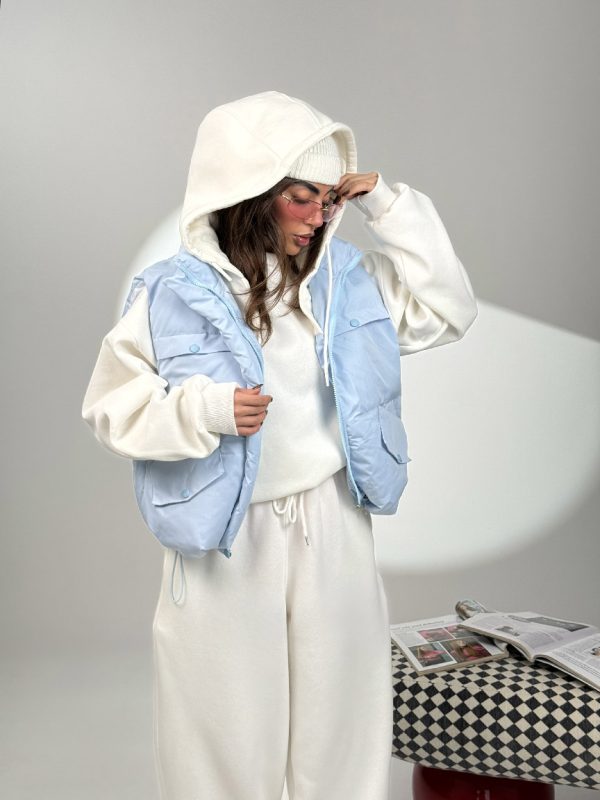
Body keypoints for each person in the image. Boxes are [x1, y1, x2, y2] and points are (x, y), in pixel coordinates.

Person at [82, 90, 478, 800]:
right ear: (248, 194)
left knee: (343, 721)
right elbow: (111, 408)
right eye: (302, 197)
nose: (319, 216)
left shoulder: (348, 281)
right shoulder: (172, 293)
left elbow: (448, 309)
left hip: (333, 519)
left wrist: (388, 206)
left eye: (329, 199)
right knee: (223, 727)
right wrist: (204, 410)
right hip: (227, 534)